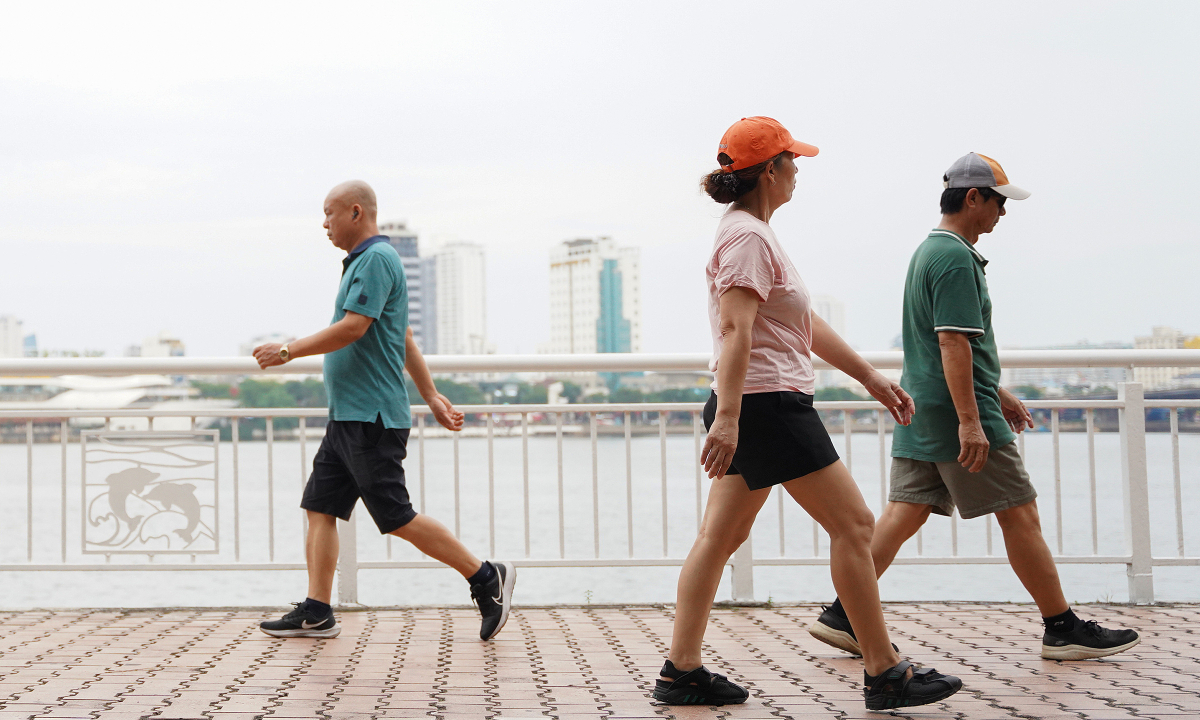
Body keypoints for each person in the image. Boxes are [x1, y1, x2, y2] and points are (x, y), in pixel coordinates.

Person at [653, 117, 963, 711]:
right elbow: (735, 329)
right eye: (792, 160)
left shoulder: (754, 233)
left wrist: (869, 377)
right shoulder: (747, 238)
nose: (799, 171)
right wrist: (729, 418)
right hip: (767, 404)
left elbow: (801, 322)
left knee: (719, 537)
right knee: (856, 526)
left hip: (757, 402)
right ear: (770, 170)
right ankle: (884, 672)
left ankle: (681, 671)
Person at [810, 153, 1139, 661]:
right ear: (972, 198)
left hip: (924, 404)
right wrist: (971, 419)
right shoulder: (955, 258)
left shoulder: (927, 251)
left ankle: (844, 614)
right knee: (1020, 513)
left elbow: (939, 344)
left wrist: (997, 391)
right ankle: (1061, 627)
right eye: (999, 202)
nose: (1003, 213)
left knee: (906, 511)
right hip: (956, 410)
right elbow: (952, 341)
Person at [253, 180, 515, 641]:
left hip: (371, 418)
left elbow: (354, 328)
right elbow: (404, 336)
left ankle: (486, 577)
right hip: (347, 416)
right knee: (320, 508)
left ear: (356, 212)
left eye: (329, 213)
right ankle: (317, 610)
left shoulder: (376, 259)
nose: (324, 223)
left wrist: (288, 351)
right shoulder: (364, 261)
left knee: (396, 517)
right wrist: (431, 395)